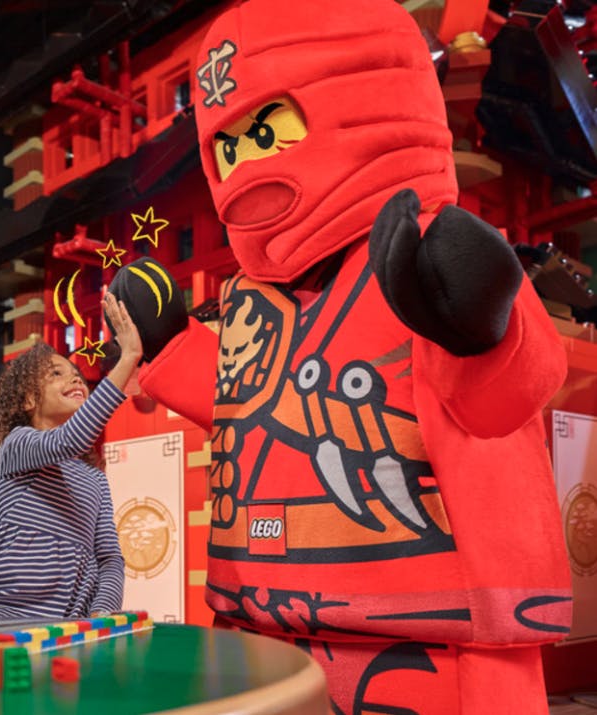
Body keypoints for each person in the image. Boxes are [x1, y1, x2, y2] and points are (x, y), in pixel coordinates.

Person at [107, 1, 571, 713]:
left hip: (420, 620)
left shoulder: (419, 253)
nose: (240, 165)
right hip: (262, 615)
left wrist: (484, 328)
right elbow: (251, 402)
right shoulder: (247, 297)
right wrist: (173, 348)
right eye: (224, 147)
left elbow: (506, 392)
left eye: (263, 132)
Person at [0, 293, 141, 619]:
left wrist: (103, 610)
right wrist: (128, 358)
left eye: (76, 374)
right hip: (1, 615)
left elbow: (109, 557)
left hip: (65, 621)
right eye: (56, 373)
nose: (75, 377)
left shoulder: (95, 478)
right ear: (27, 401)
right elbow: (71, 439)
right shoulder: (18, 444)